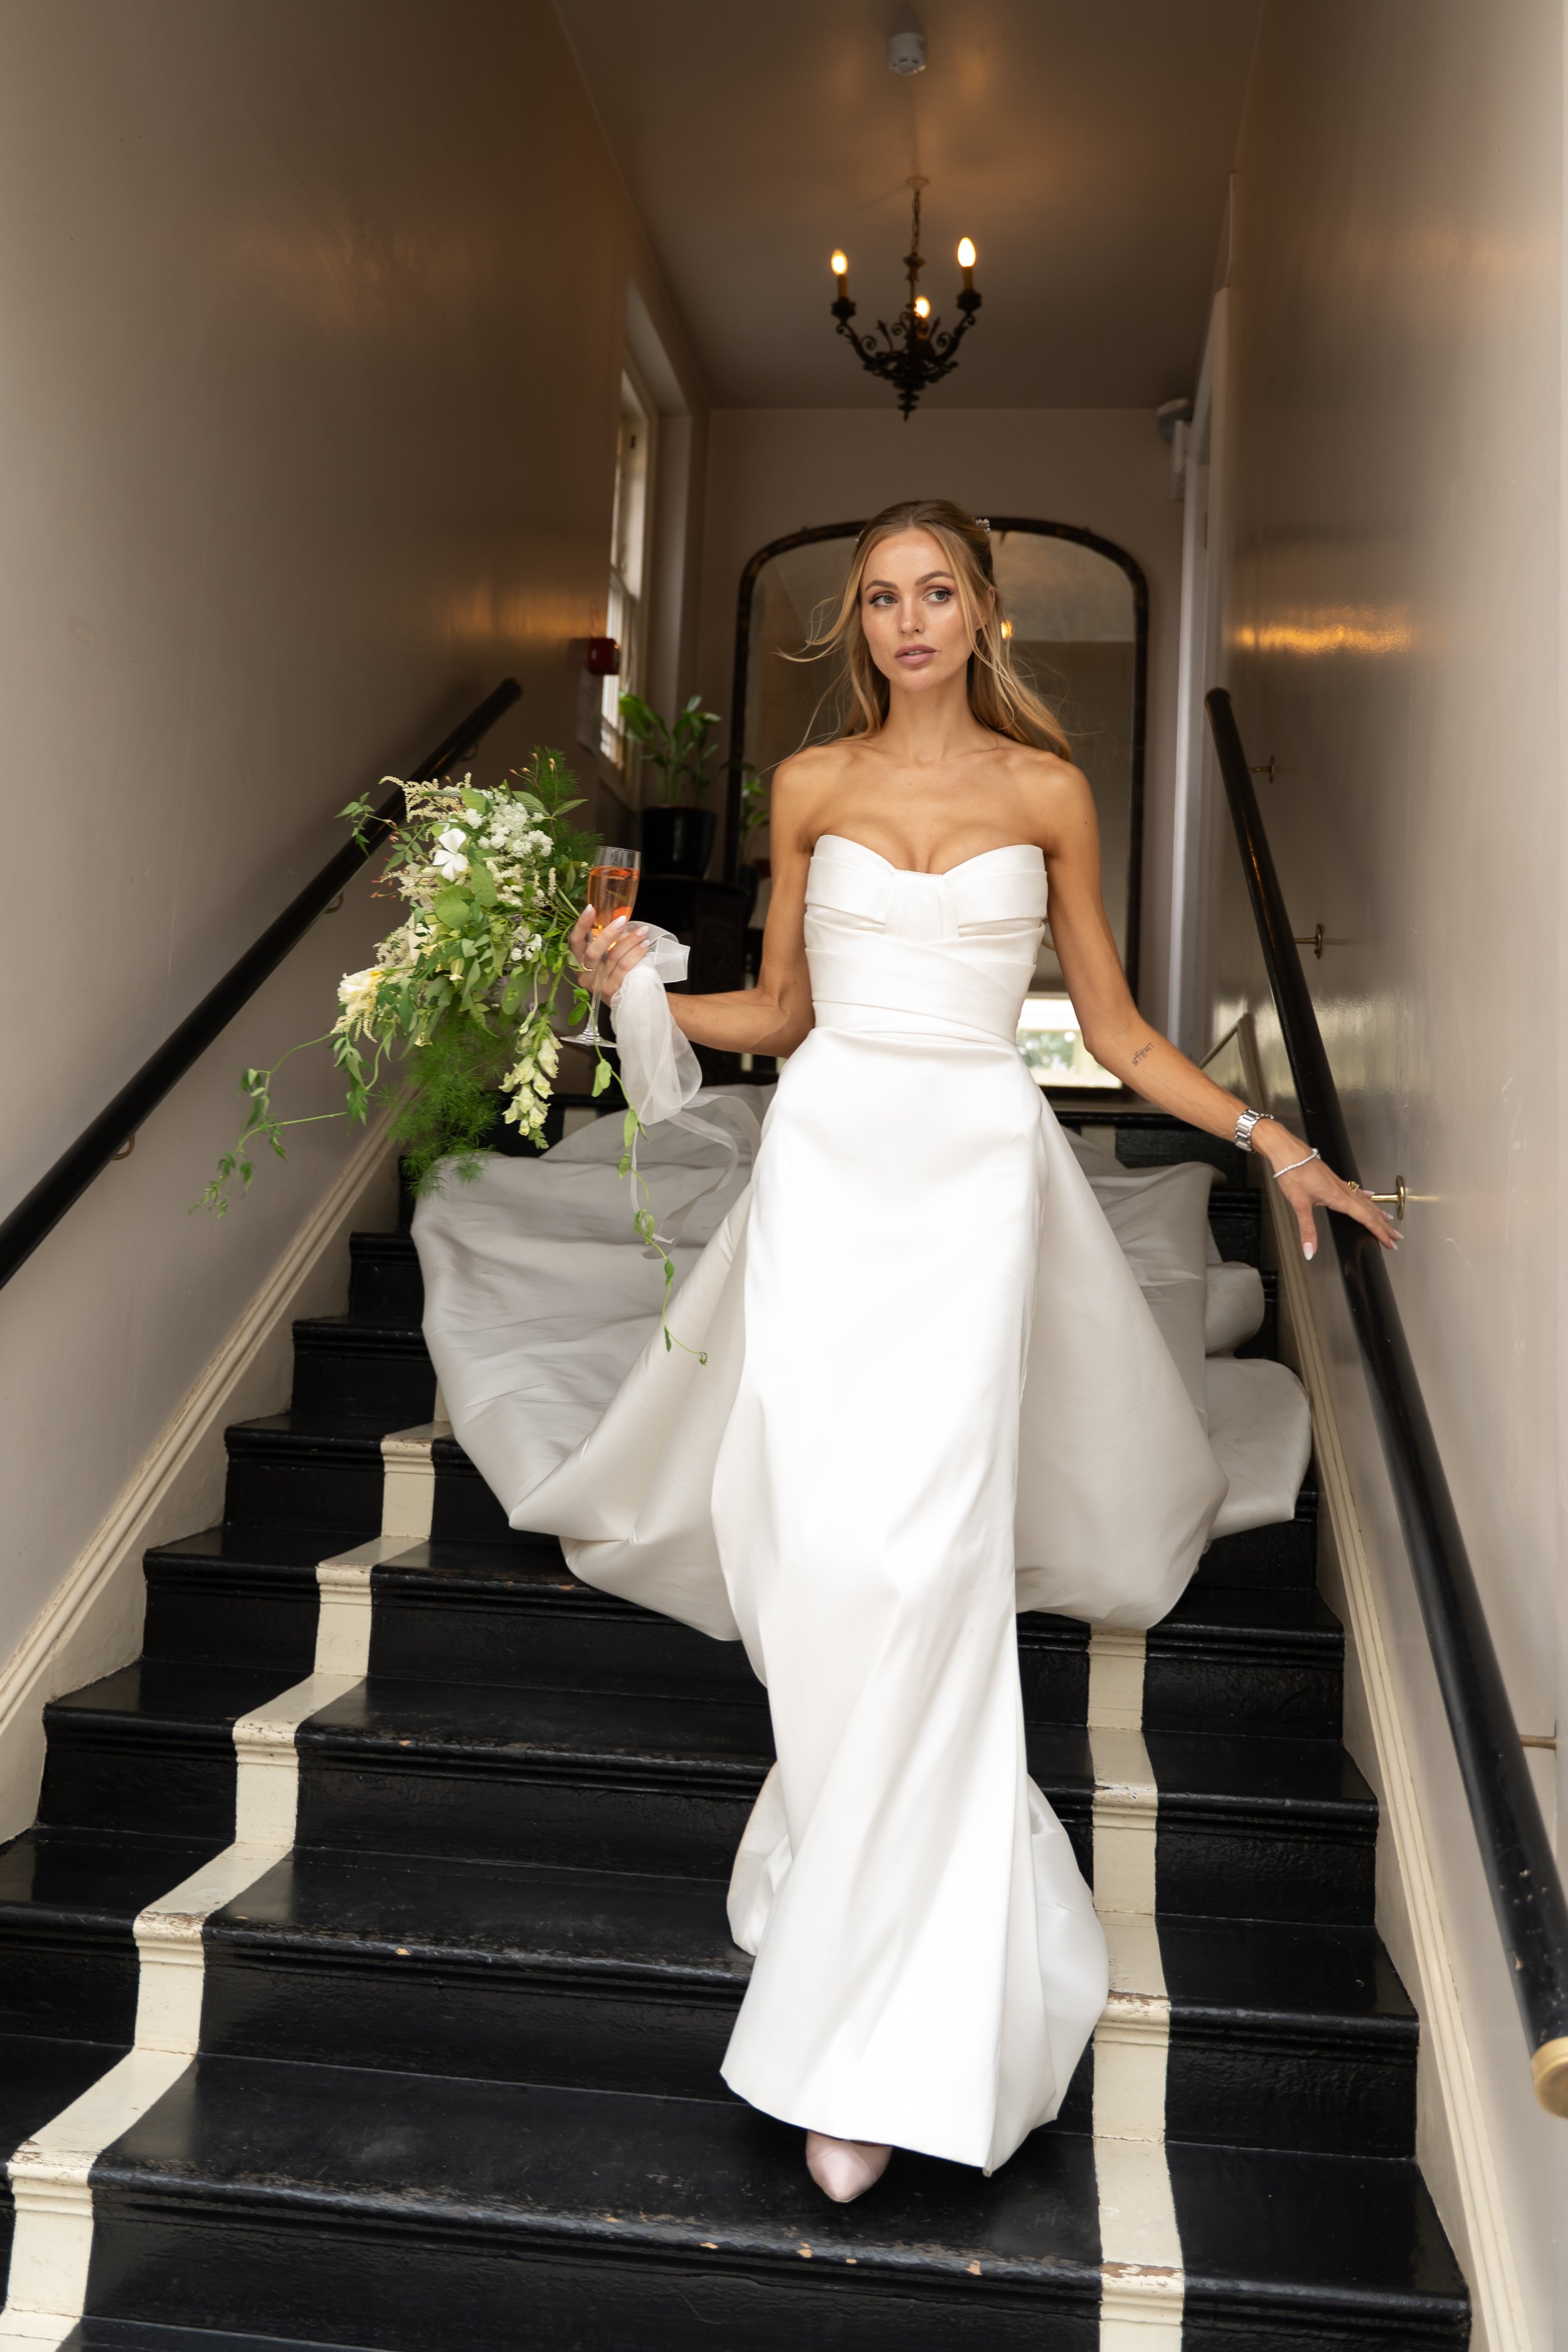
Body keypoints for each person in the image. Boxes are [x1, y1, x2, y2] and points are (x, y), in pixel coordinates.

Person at [425, 499, 1396, 2208]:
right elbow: (779, 1013)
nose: (908, 618)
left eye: (935, 589)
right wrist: (631, 983)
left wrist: (1272, 1141)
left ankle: (867, 2029)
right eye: (878, 597)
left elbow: (1109, 1031)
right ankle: (857, 1870)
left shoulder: (1047, 794)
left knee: (928, 1559)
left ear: (985, 610)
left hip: (969, 1198)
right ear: (852, 627)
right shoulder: (809, 791)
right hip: (825, 1185)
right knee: (827, 1560)